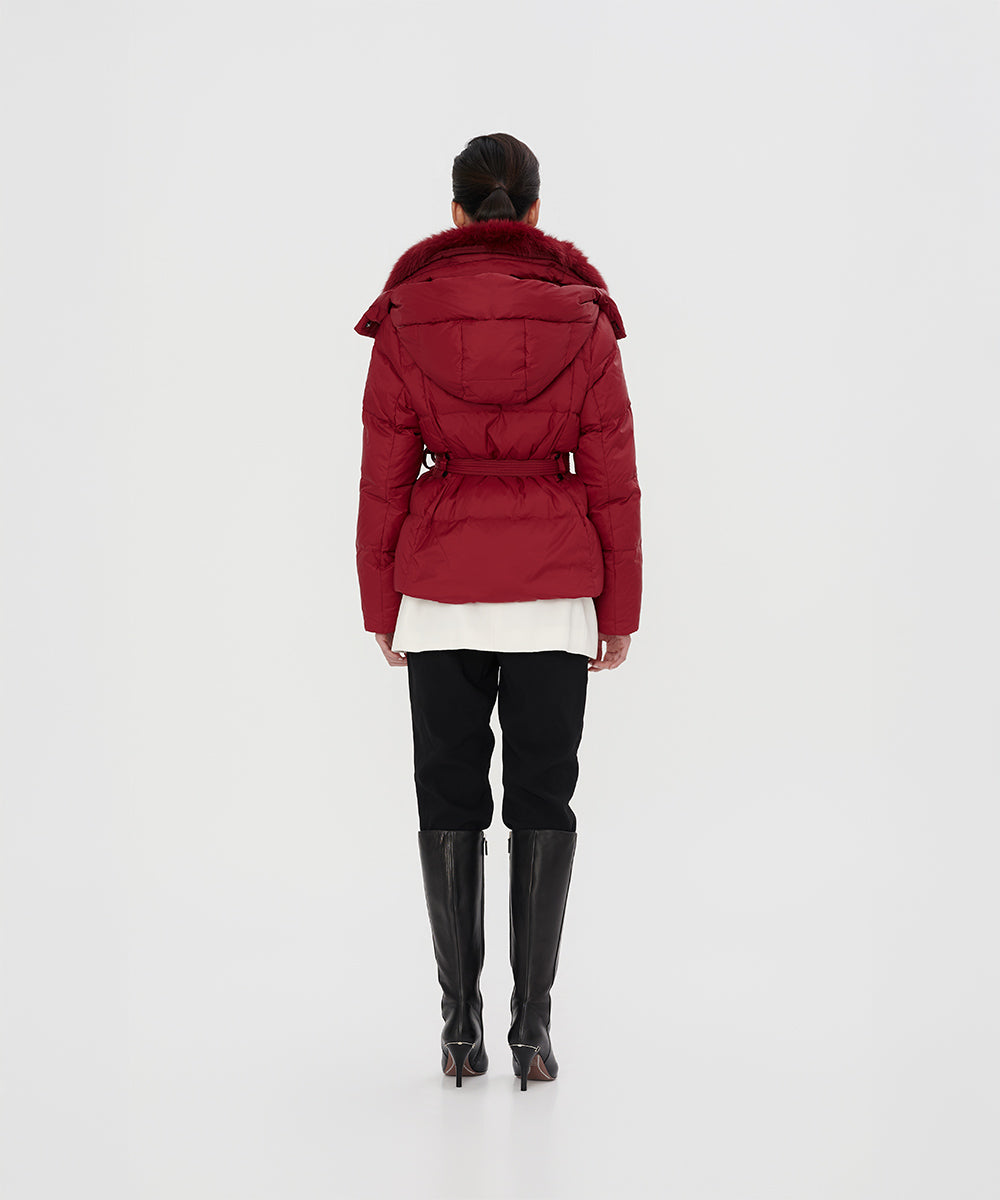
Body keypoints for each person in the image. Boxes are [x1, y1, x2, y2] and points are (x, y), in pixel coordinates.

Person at [354, 133, 642, 1089]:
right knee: (543, 801)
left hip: (440, 591)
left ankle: (458, 1031)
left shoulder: (407, 318)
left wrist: (381, 603)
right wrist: (620, 607)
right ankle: (532, 1033)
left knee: (448, 800)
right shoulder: (583, 319)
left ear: (456, 213)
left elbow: (383, 478)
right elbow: (613, 479)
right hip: (555, 590)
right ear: (533, 213)